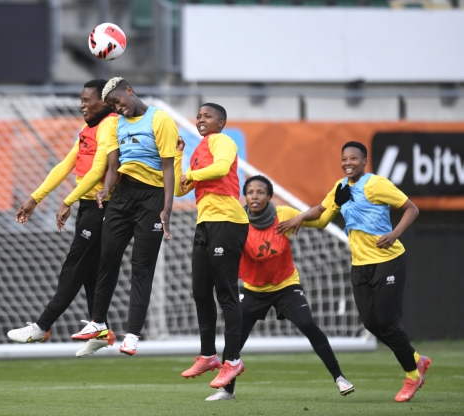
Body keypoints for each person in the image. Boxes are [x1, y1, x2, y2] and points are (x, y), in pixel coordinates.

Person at [277, 141, 431, 403]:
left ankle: (412, 375)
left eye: (354, 159)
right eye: (344, 159)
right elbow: (323, 215)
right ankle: (417, 359)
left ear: (364, 161)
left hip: (388, 260)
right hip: (360, 265)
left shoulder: (375, 184)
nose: (348, 163)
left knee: (388, 323)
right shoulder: (341, 187)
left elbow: (411, 209)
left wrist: (394, 234)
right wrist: (299, 218)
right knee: (371, 324)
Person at [206, 175, 355, 401]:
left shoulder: (283, 215)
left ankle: (340, 378)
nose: (255, 196)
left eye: (260, 192)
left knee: (308, 324)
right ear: (244, 196)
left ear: (269, 196)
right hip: (253, 289)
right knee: (234, 337)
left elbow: (320, 221)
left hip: (286, 286)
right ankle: (228, 390)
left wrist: (335, 204)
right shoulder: (237, 222)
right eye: (250, 192)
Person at [8, 79, 118, 357]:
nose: (81, 105)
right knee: (89, 270)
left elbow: (99, 169)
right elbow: (66, 164)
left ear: (104, 101)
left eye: (86, 100)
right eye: (80, 100)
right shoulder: (88, 127)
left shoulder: (111, 125)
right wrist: (35, 197)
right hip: (87, 205)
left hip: (103, 206)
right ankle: (101, 328)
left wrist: (67, 201)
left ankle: (43, 326)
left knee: (75, 267)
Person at [71, 77, 178, 356]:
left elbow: (169, 168)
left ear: (129, 91)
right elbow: (113, 167)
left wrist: (167, 207)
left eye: (118, 102)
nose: (117, 109)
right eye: (112, 106)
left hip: (152, 198)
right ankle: (98, 322)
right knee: (106, 259)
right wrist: (105, 190)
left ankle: (131, 334)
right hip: (122, 196)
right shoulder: (116, 125)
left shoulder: (160, 119)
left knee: (141, 267)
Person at [175, 103, 249, 390]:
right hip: (205, 223)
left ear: (221, 122)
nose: (200, 119)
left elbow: (219, 169)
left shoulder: (223, 141)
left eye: (207, 116)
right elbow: (183, 188)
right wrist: (181, 156)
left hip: (228, 221)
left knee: (226, 292)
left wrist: (192, 175)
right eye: (198, 116)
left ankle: (233, 360)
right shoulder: (198, 151)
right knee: (200, 291)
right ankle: (208, 355)